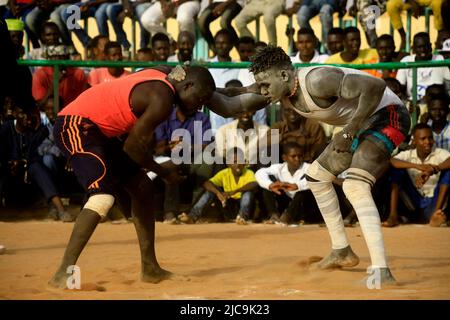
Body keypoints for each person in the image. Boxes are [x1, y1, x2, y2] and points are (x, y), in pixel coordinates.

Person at [48, 64, 268, 288]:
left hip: (99, 131)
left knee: (143, 187)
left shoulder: (169, 73)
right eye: (199, 99)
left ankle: (150, 268)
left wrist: (244, 90)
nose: (200, 105)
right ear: (187, 85)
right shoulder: (162, 99)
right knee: (102, 198)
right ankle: (63, 273)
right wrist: (164, 172)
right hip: (76, 125)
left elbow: (212, 92)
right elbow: (133, 148)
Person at [248, 45, 411, 284]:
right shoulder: (282, 91)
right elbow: (231, 100)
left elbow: (376, 86)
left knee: (355, 186)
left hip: (390, 116)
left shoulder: (317, 80)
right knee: (316, 177)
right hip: (363, 123)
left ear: (283, 75)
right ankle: (341, 251)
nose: (262, 91)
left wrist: (348, 131)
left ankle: (382, 270)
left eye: (265, 85)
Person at [384, 123, 450, 227]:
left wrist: (433, 169)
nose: (427, 142)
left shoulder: (439, 153)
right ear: (414, 141)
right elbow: (391, 161)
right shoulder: (409, 154)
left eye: (430, 138)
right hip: (413, 203)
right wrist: (417, 166)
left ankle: (435, 215)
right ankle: (393, 215)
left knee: (448, 173)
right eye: (423, 139)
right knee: (396, 171)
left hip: (433, 202)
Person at [178, 147, 258, 225]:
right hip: (228, 206)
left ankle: (242, 217)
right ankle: (192, 217)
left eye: (240, 161)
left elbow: (254, 184)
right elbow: (206, 183)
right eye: (234, 162)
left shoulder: (249, 172)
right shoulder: (224, 173)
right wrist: (218, 193)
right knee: (210, 192)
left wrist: (233, 192)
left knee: (248, 194)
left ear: (244, 162)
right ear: (228, 164)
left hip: (243, 207)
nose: (237, 164)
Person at [256, 141, 320, 224]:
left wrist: (297, 186)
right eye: (293, 156)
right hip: (285, 202)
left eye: (300, 156)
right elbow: (260, 172)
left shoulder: (308, 167)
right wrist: (270, 185)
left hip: (303, 206)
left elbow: (317, 177)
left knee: (303, 191)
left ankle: (288, 216)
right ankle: (274, 215)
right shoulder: (279, 168)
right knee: (267, 187)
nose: (297, 159)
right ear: (284, 158)